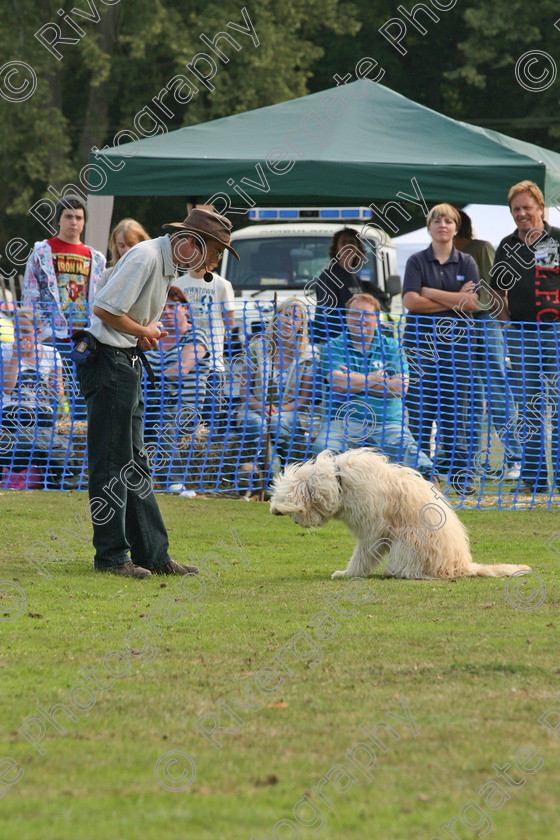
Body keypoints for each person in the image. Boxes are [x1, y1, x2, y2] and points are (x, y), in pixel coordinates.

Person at [74, 207, 239, 578]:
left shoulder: (163, 262)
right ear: (191, 243)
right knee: (113, 464)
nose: (214, 260)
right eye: (214, 251)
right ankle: (112, 557)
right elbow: (103, 309)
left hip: (124, 361)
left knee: (135, 464)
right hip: (110, 364)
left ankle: (153, 554)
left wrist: (140, 334)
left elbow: (120, 314)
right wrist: (143, 332)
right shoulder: (147, 256)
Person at [310, 294, 435, 478]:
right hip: (343, 421)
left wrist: (355, 379)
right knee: (323, 451)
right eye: (354, 313)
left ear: (376, 319)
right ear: (346, 317)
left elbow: (400, 389)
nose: (360, 319)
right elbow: (339, 384)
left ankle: (430, 489)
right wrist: (377, 378)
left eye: (366, 314)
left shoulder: (392, 347)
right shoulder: (333, 346)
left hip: (387, 423)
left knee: (414, 456)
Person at [402, 204, 480, 495]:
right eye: (437, 220)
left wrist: (430, 293)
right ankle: (421, 479)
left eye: (448, 220)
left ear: (456, 228)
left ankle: (461, 478)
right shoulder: (415, 261)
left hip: (458, 355)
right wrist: (454, 300)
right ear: (429, 227)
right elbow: (411, 302)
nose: (442, 225)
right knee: (420, 416)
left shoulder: (468, 262)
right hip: (420, 354)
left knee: (457, 418)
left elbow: (472, 304)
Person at [490, 180, 560, 494]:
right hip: (521, 335)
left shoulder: (555, 239)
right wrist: (507, 324)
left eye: (526, 208)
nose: (521, 214)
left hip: (555, 332)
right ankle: (533, 479)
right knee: (529, 409)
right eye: (516, 209)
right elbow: (494, 293)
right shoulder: (507, 246)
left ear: (540, 209)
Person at [454, 209, 522, 480]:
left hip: (485, 321)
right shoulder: (442, 255)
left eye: (450, 221)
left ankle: (515, 458)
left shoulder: (481, 248)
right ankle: (472, 462)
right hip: (458, 325)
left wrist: (504, 323)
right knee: (467, 395)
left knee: (497, 390)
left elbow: (497, 289)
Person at [238, 299, 318, 483]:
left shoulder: (309, 354)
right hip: (252, 409)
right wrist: (261, 407)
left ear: (301, 326)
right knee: (260, 425)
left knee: (275, 422)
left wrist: (278, 410)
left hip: (289, 412)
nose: (290, 321)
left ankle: (276, 477)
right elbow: (244, 389)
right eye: (286, 315)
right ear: (276, 318)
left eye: (296, 318)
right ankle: (276, 479)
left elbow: (304, 398)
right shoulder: (256, 347)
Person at [144, 288, 210, 491]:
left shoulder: (196, 335)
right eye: (163, 308)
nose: (166, 312)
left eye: (172, 307)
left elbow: (180, 369)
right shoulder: (151, 338)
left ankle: (174, 481)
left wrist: (148, 385)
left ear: (185, 310)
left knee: (164, 415)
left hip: (185, 408)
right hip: (150, 401)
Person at [0, 309, 73, 488]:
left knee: (43, 437)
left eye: (25, 332)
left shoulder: (51, 353)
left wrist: (54, 384)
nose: (20, 336)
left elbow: (59, 395)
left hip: (42, 414)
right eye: (17, 331)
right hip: (13, 414)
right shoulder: (5, 350)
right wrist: (17, 357)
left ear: (38, 333)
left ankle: (54, 475)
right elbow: (8, 389)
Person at [22, 194, 106, 340]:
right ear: (59, 220)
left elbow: (103, 298)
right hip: (50, 335)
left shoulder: (97, 259)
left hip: (86, 336)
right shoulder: (41, 252)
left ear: (84, 221)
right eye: (68, 216)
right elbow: (30, 296)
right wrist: (39, 331)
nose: (73, 222)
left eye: (78, 217)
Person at [311, 227, 389, 343]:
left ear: (358, 248)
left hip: (355, 341)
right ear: (336, 249)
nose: (348, 246)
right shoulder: (329, 277)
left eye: (352, 242)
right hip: (335, 343)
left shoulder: (355, 278)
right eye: (343, 242)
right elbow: (325, 317)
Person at [99, 218, 150, 288]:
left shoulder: (150, 274)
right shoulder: (107, 275)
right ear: (116, 246)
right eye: (121, 246)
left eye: (131, 245)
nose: (127, 251)